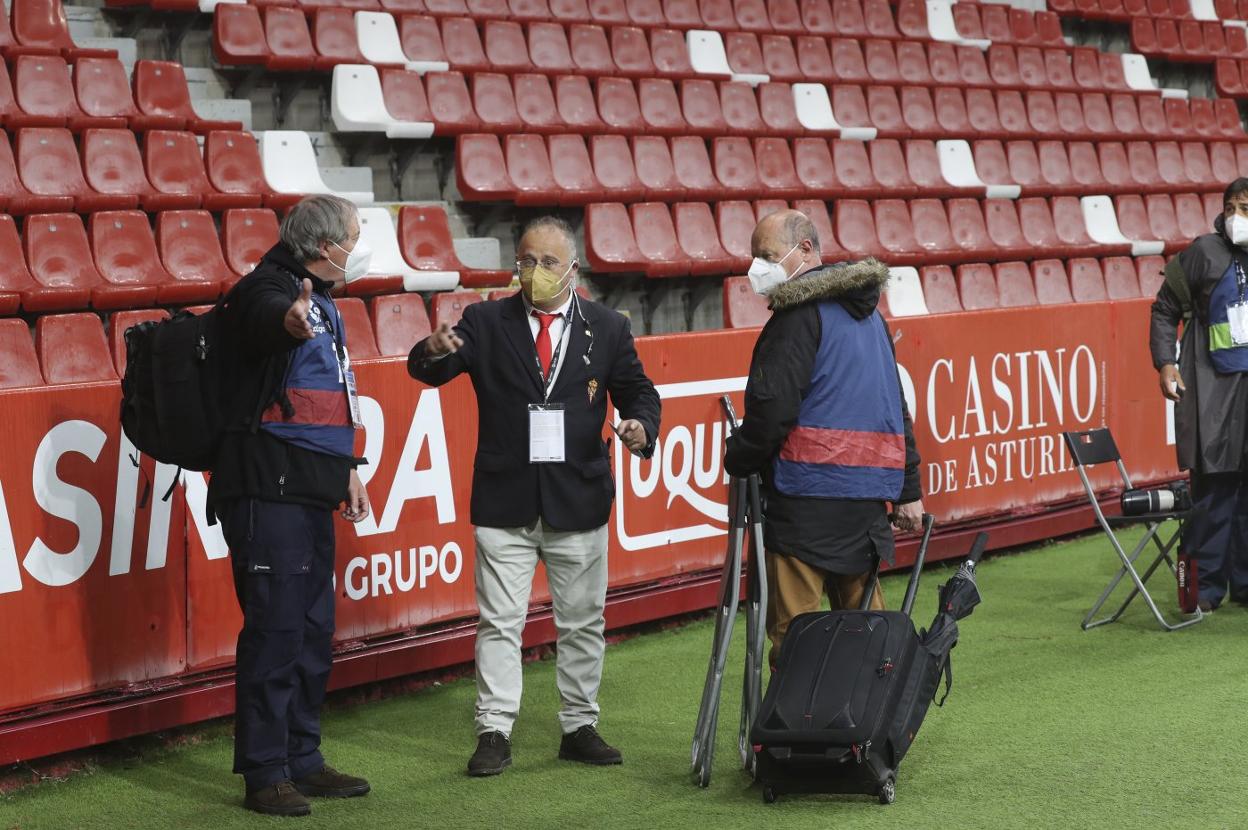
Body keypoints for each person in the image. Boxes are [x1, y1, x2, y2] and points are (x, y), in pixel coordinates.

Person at [408, 216, 661, 777]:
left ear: (573, 268)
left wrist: (642, 425)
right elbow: (429, 370)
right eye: (526, 260)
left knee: (583, 621)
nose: (535, 272)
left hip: (580, 497)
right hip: (506, 499)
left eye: (548, 262)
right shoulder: (483, 320)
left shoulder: (609, 326)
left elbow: (639, 392)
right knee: (499, 622)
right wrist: (431, 348)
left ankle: (579, 726)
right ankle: (494, 731)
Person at [207, 195, 373, 817]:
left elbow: (332, 397)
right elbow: (268, 318)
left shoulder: (324, 299)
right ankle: (265, 772)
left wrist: (348, 469)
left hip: (311, 484)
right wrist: (290, 320)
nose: (357, 248)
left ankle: (302, 758)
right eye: (352, 238)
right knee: (276, 630)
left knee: (311, 629)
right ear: (322, 245)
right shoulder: (268, 290)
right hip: (266, 484)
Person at [723, 210, 924, 666]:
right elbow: (896, 407)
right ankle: (864, 734)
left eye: (768, 255)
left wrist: (738, 457)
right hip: (866, 509)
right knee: (868, 642)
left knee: (796, 643)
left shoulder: (796, 318)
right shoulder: (871, 317)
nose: (758, 267)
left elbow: (772, 411)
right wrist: (908, 489)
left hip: (804, 505)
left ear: (807, 249)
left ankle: (794, 737)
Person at [1150, 177, 1248, 612]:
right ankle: (1203, 590)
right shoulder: (1203, 253)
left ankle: (1244, 585)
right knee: (1215, 487)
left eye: (1245, 208)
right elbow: (1164, 308)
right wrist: (1166, 362)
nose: (1238, 217)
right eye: (1234, 207)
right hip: (1213, 389)